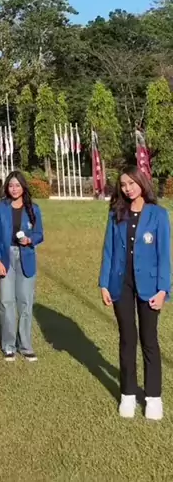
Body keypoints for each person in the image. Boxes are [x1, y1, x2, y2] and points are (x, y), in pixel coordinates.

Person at [99, 166, 170, 420]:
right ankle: (127, 394)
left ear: (141, 183)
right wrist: (104, 284)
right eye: (123, 185)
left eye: (131, 183)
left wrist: (163, 290)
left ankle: (153, 397)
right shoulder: (116, 214)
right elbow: (108, 251)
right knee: (127, 339)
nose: (127, 189)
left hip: (149, 287)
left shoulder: (158, 215)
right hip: (121, 284)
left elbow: (164, 255)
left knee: (149, 340)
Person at [0, 170, 44, 361]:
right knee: (6, 302)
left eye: (17, 185)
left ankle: (26, 346)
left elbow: (39, 234)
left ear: (23, 187)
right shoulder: (0, 208)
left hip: (25, 257)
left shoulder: (33, 209)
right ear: (7, 188)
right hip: (6, 258)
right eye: (11, 185)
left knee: (25, 302)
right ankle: (9, 345)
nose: (14, 189)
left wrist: (30, 240)